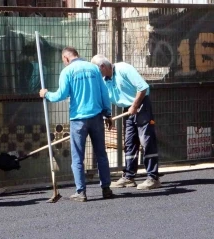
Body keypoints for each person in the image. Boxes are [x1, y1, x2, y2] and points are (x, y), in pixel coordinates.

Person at [39, 47, 113, 202]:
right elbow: (104, 92)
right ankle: (106, 188)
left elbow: (61, 94)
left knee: (77, 157)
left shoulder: (67, 72)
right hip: (97, 117)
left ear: (66, 58)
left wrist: (46, 94)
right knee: (101, 154)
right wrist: (108, 113)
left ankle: (81, 192)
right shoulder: (94, 68)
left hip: (78, 120)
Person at [91, 54, 161, 190]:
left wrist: (135, 106)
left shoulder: (124, 69)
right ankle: (129, 176)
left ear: (103, 67)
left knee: (147, 141)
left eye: (97, 71)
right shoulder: (105, 80)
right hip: (127, 110)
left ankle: (153, 177)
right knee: (129, 143)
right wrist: (108, 115)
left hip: (141, 105)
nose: (96, 75)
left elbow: (143, 87)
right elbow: (105, 99)